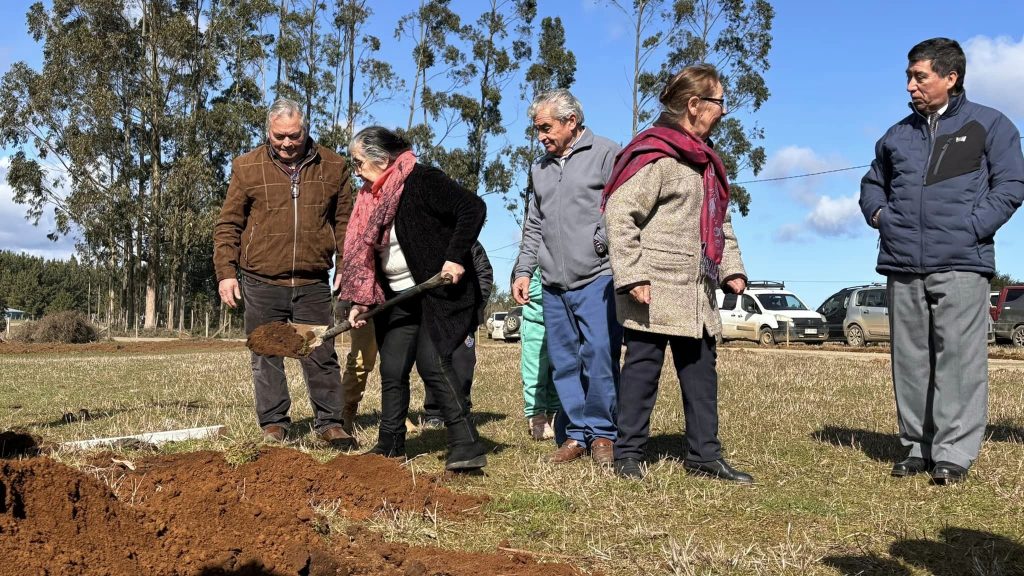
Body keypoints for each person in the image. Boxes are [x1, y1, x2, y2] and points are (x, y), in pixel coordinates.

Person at [860, 38, 1024, 485]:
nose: (910, 86)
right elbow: (872, 185)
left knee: (959, 361)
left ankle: (953, 454)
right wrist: (881, 217)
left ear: (951, 77)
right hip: (902, 262)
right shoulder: (897, 135)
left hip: (962, 261)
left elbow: (1012, 184)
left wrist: (974, 226)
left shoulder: (990, 124)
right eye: (909, 77)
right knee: (910, 361)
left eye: (920, 77)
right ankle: (918, 447)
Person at [603, 64, 753, 483]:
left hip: (695, 289)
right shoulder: (656, 155)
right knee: (642, 371)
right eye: (719, 102)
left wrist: (732, 269)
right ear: (694, 104)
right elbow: (619, 213)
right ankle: (628, 454)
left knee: (701, 373)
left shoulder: (706, 161)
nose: (724, 110)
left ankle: (704, 456)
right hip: (652, 287)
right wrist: (633, 276)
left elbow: (720, 223)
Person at [339, 126, 488, 472]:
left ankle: (466, 445)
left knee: (432, 363)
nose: (356, 170)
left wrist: (454, 256)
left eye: (359, 162)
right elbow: (367, 257)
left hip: (438, 291)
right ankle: (390, 444)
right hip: (396, 296)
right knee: (392, 368)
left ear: (381, 159)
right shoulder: (369, 198)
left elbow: (472, 207)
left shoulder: (422, 180)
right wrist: (362, 301)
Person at [213, 97, 356, 449]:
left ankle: (330, 423)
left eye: (294, 135)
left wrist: (348, 267)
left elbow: (346, 224)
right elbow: (229, 224)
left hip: (312, 282)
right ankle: (274, 424)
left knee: (320, 353)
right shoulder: (247, 167)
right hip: (261, 281)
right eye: (280, 137)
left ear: (305, 130)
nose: (287, 143)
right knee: (266, 354)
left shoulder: (333, 166)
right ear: (268, 132)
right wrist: (226, 272)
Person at [512, 89, 622, 466]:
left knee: (600, 356)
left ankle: (603, 434)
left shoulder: (607, 153)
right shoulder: (539, 169)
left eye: (545, 127)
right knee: (564, 362)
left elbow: (619, 207)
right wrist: (524, 269)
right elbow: (534, 224)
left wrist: (600, 242)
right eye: (537, 129)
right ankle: (576, 435)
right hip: (553, 284)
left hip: (597, 277)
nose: (540, 136)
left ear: (571, 121)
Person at [418, 241, 493, 429]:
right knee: (435, 364)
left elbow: (484, 274)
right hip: (434, 316)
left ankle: (462, 411)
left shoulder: (471, 244)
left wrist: (476, 305)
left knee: (463, 364)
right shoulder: (428, 240)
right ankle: (434, 413)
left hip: (464, 316)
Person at [520, 266, 560, 441]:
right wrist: (559, 292)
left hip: (559, 323)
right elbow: (527, 289)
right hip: (535, 324)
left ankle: (554, 414)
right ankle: (536, 417)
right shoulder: (529, 264)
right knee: (535, 371)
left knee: (557, 371)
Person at [338, 320, 375, 435]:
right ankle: (347, 409)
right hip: (366, 312)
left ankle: (397, 413)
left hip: (399, 312)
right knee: (360, 362)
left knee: (397, 365)